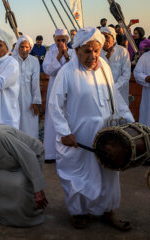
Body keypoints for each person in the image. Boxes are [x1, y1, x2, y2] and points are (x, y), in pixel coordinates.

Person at [48, 27, 134, 230]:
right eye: (87, 51)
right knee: (78, 176)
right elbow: (54, 104)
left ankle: (108, 211)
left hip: (106, 135)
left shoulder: (104, 65)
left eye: (96, 51)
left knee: (109, 174)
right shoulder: (67, 72)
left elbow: (115, 96)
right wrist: (64, 132)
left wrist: (129, 120)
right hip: (79, 137)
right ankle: (79, 212)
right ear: (77, 50)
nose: (93, 56)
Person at [42, 29, 75, 163]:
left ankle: (68, 153)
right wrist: (58, 56)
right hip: (54, 88)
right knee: (52, 118)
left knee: (68, 117)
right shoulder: (50, 53)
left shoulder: (73, 52)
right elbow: (48, 70)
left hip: (69, 89)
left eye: (63, 40)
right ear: (54, 40)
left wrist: (66, 55)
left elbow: (74, 69)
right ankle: (51, 153)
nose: (60, 42)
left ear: (67, 40)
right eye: (58, 40)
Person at [12, 35, 41, 138]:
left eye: (26, 47)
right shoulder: (11, 60)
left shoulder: (34, 61)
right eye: (21, 47)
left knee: (30, 124)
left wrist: (36, 101)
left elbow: (35, 82)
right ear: (17, 48)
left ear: (30, 48)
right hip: (13, 98)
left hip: (29, 99)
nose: (24, 50)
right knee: (15, 124)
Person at [100, 27, 131, 105]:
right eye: (102, 37)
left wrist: (113, 88)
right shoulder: (97, 52)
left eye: (106, 37)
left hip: (119, 94)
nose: (104, 39)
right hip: (102, 94)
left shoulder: (122, 51)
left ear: (113, 38)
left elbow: (126, 75)